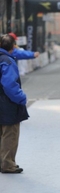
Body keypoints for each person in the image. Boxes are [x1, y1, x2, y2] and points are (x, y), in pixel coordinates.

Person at [0, 34, 29, 174]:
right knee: (10, 133)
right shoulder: (7, 61)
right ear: (12, 47)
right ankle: (8, 164)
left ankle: (2, 162)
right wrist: (22, 98)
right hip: (7, 103)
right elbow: (9, 85)